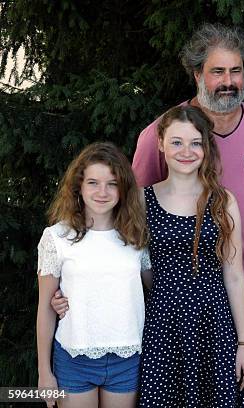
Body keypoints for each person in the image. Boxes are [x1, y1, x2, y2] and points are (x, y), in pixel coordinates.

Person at [132, 24, 244, 407]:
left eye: (236, 71)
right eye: (217, 72)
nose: (228, 81)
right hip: (176, 303)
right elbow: (128, 223)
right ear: (198, 74)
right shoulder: (161, 134)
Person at [138, 105, 244, 407]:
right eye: (176, 142)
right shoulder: (142, 200)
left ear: (206, 147)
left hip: (214, 325)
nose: (186, 151)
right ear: (161, 144)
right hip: (164, 324)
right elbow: (129, 266)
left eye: (195, 143)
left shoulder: (222, 200)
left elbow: (235, 275)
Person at [36, 142, 149, 408]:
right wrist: (44, 372)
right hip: (74, 358)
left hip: (128, 357)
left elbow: (156, 290)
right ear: (79, 186)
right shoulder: (57, 237)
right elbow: (45, 308)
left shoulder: (136, 236)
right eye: (93, 183)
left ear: (123, 189)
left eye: (112, 183)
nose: (102, 192)